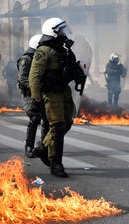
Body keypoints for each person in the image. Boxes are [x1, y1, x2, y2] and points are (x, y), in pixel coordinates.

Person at [29, 17, 84, 178]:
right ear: (53, 31)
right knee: (57, 127)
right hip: (51, 93)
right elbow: (34, 74)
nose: (64, 32)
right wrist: (36, 95)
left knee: (67, 122)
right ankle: (56, 163)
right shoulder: (44, 50)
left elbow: (71, 66)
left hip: (64, 90)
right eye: (61, 30)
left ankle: (42, 148)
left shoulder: (63, 48)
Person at [17, 34, 49, 158]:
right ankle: (29, 146)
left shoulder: (40, 57)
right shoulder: (27, 59)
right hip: (29, 94)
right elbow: (22, 78)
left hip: (42, 92)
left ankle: (43, 145)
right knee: (34, 118)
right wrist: (35, 86)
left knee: (46, 118)